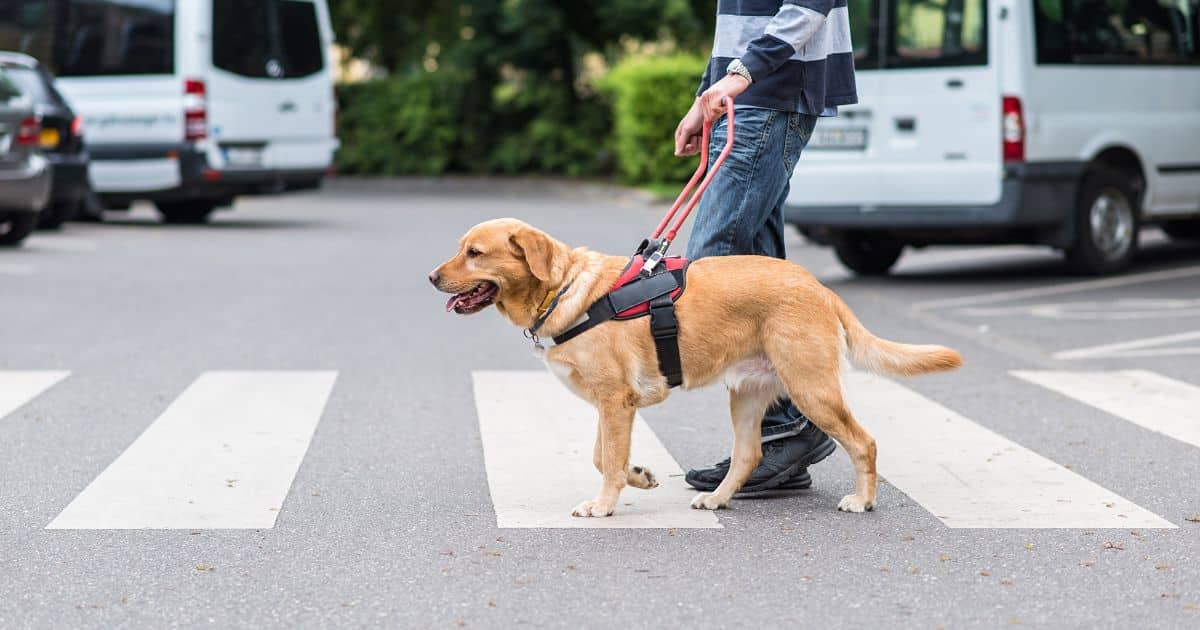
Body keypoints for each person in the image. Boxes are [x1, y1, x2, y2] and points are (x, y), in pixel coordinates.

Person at [674, 0, 858, 494]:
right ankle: (785, 433)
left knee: (709, 272)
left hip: (767, 93)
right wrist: (705, 93)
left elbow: (807, 5)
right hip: (751, 95)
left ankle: (788, 432)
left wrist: (738, 78)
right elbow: (739, 25)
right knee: (759, 268)